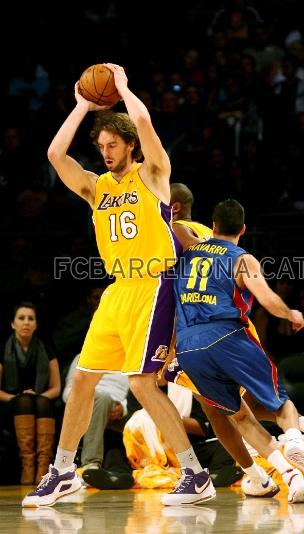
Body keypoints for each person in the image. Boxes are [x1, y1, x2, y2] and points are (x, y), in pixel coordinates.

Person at [22, 63, 215, 508]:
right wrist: (81, 106)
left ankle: (194, 473)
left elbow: (144, 121)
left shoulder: (153, 174)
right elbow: (54, 155)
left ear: (129, 144)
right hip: (117, 292)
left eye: (113, 144)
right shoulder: (96, 186)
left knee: (143, 383)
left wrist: (124, 87)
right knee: (84, 380)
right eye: (102, 146)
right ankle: (63, 471)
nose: (106, 152)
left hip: (154, 285)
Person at [172, 199, 304, 496]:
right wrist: (291, 314)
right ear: (244, 229)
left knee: (238, 416)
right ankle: (295, 440)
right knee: (279, 399)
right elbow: (267, 299)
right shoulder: (242, 259)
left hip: (188, 348)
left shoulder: (189, 246)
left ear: (213, 225)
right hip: (226, 336)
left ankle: (290, 478)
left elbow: (171, 225)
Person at [0, 302, 61, 485]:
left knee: (40, 403)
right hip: (11, 403)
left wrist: (36, 397)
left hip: (42, 403)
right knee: (24, 402)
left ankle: (43, 466)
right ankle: (28, 466)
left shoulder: (46, 348)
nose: (26, 322)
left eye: (30, 319)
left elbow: (56, 387)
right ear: (13, 324)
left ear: (36, 324)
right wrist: (19, 397)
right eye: (21, 318)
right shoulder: (3, 350)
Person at [62, 352, 130, 474]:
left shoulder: (129, 360)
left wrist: (123, 408)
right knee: (102, 398)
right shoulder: (82, 357)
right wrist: (88, 398)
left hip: (118, 408)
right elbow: (68, 392)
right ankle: (91, 464)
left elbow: (136, 390)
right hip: (88, 402)